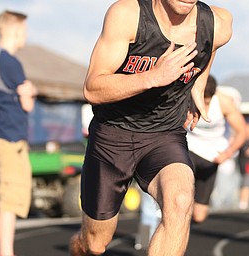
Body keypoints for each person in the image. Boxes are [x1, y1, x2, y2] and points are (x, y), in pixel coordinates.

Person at [69, 1, 232, 255]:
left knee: (179, 201)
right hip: (113, 136)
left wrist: (198, 83)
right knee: (95, 244)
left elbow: (211, 47)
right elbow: (92, 88)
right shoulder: (127, 15)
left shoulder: (218, 24)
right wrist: (153, 77)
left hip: (164, 135)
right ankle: (79, 245)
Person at [0, 10, 37, 255]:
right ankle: (6, 253)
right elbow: (27, 103)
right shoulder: (11, 62)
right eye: (25, 31)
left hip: (0, 135)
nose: (25, 36)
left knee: (0, 197)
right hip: (11, 139)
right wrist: (31, 91)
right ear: (16, 31)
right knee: (10, 199)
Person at [187, 75, 246, 223]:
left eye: (206, 102)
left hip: (212, 157)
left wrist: (227, 154)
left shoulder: (223, 102)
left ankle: (186, 226)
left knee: (199, 216)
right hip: (189, 150)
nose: (204, 107)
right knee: (181, 201)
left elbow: (242, 131)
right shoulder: (187, 98)